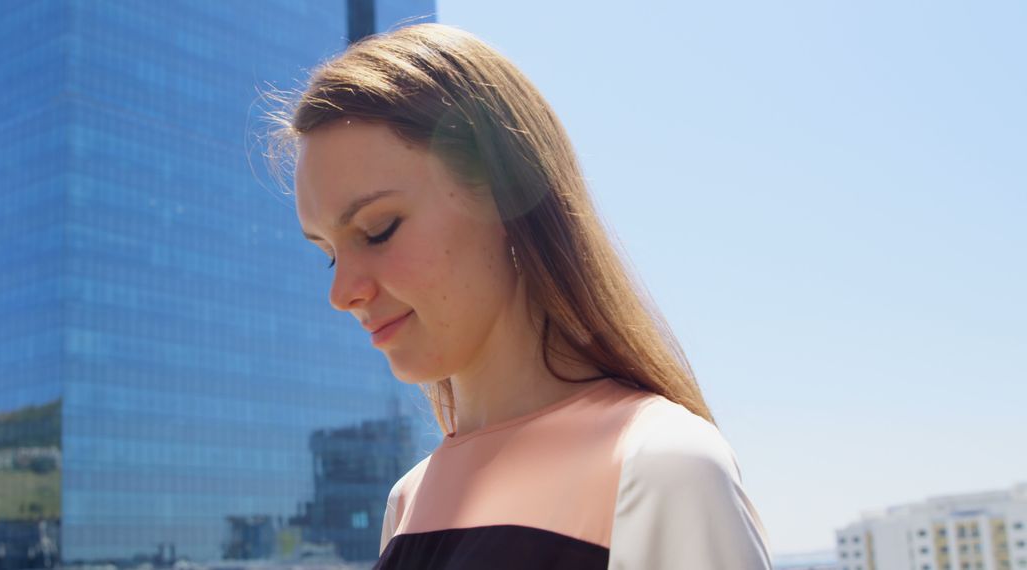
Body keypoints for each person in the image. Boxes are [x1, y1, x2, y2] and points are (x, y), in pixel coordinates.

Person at [268, 22, 773, 570]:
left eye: (379, 229)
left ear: (505, 194)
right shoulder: (408, 502)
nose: (343, 293)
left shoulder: (660, 466)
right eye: (329, 253)